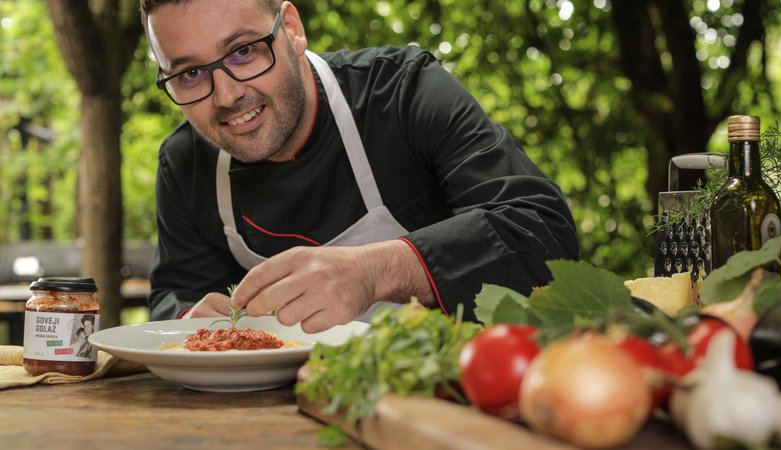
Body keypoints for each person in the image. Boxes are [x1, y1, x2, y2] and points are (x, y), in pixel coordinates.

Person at [140, 0, 579, 333]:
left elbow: (542, 230)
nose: (227, 96)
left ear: (291, 29)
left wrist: (376, 271)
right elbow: (173, 296)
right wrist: (187, 320)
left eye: (243, 51)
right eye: (190, 74)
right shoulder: (185, 165)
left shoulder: (404, 91)